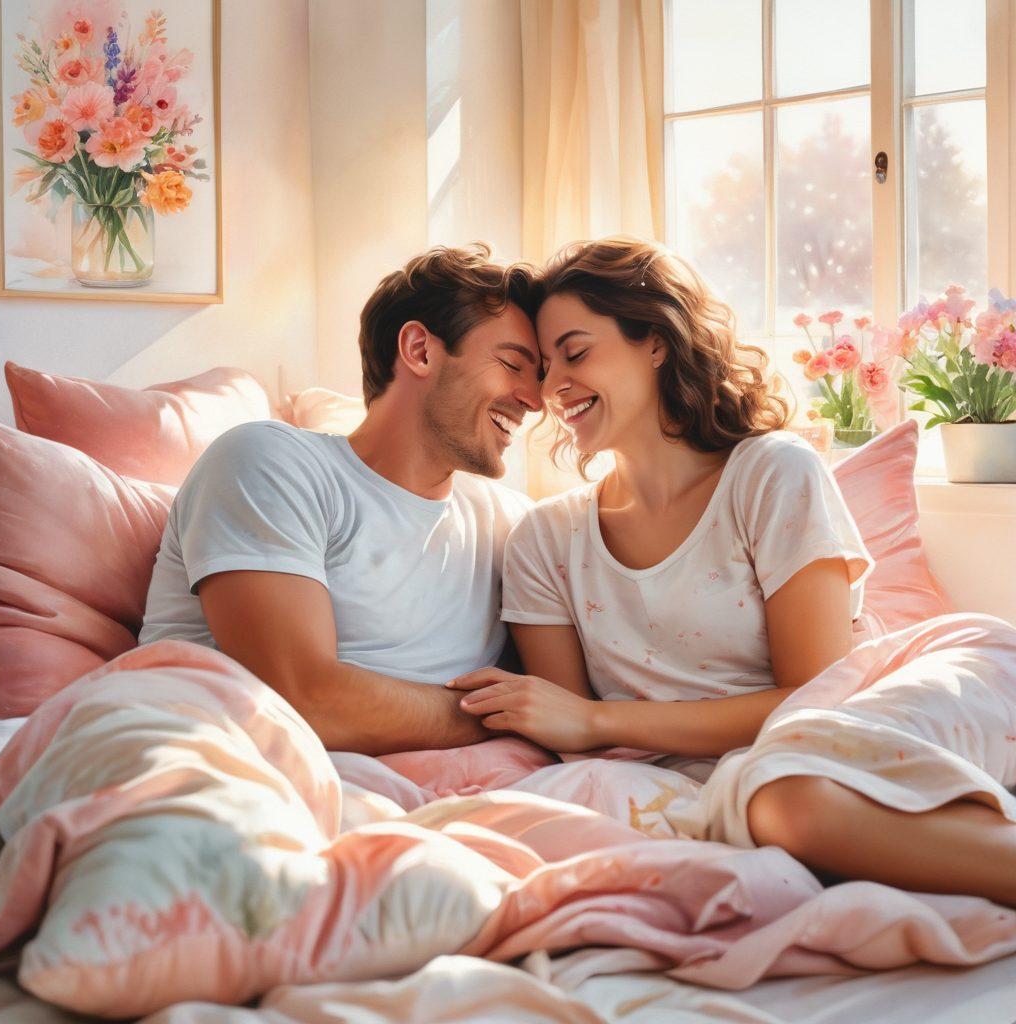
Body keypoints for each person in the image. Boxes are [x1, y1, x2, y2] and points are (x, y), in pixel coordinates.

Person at [449, 237, 1016, 907]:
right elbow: (567, 732)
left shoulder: (772, 473)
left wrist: (600, 721)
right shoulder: (544, 542)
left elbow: (813, 695)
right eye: (544, 368)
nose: (552, 388)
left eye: (575, 354)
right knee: (776, 804)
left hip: (879, 700)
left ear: (655, 342)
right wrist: (585, 726)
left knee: (788, 801)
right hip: (756, 780)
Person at [139, 244, 541, 755]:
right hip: (215, 758)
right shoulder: (270, 462)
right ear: (420, 350)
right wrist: (506, 718)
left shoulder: (512, 523)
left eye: (540, 377)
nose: (535, 400)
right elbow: (304, 702)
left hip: (428, 785)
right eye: (512, 364)